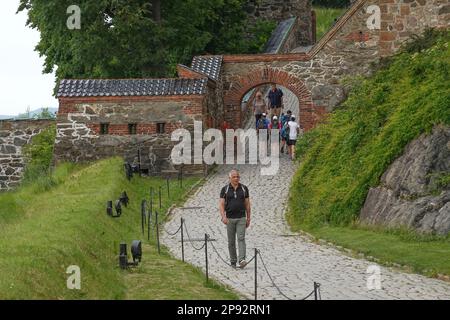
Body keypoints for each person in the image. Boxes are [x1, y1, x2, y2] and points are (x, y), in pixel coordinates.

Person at [219, 169, 251, 269]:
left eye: (237, 176)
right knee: (231, 241)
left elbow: (247, 204)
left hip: (241, 217)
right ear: (230, 178)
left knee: (241, 238)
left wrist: (248, 217)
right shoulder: (225, 190)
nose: (236, 178)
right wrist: (223, 217)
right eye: (234, 177)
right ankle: (233, 260)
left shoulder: (244, 189)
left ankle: (242, 259)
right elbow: (221, 204)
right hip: (230, 219)